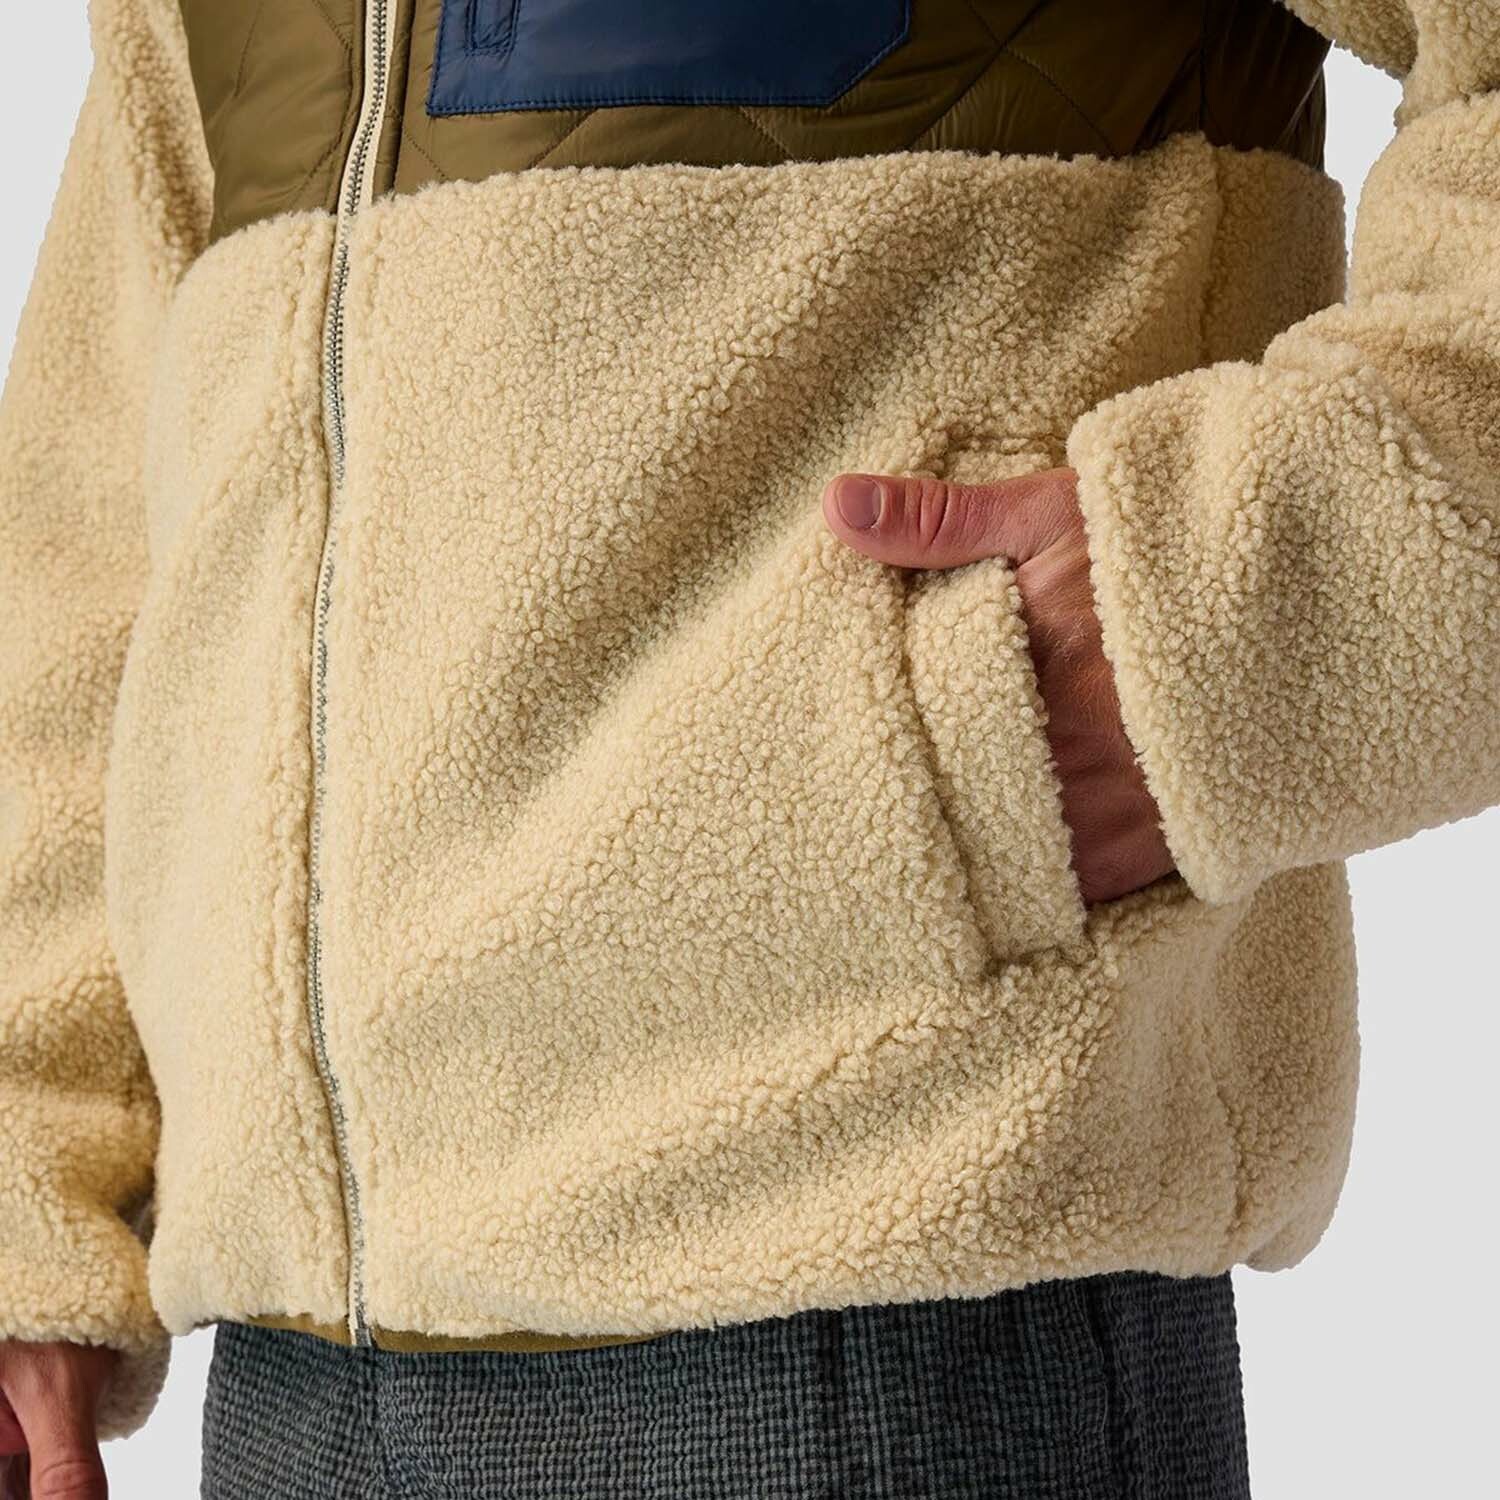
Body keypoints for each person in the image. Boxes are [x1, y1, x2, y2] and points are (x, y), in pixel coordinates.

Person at [1, 0, 1495, 1495]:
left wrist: (1209, 636)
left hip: (888, 1275)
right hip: (293, 1364)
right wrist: (28, 1186)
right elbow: (99, 479)